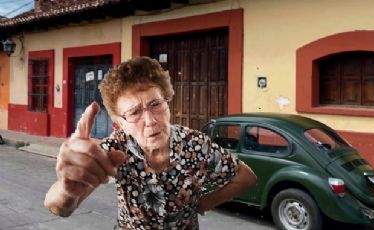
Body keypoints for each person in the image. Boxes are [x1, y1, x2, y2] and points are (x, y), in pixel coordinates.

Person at [44, 56, 257, 229]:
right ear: (120, 123)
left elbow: (246, 177)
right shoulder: (116, 149)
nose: (150, 120)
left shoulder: (196, 144)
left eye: (155, 104)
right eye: (134, 112)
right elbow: (58, 208)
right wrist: (67, 188)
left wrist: (206, 202)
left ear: (167, 102)